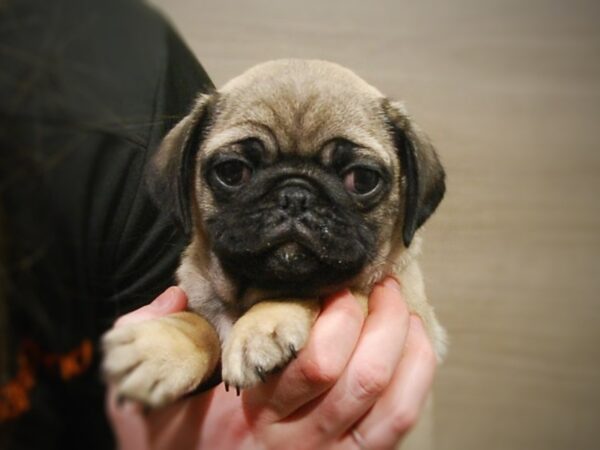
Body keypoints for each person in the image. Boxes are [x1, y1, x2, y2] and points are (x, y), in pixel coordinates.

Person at [0, 0, 437, 449]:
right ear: (184, 180)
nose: (294, 205)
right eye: (235, 173)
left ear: (411, 187)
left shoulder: (121, 87)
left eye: (360, 180)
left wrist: (291, 312)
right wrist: (193, 339)